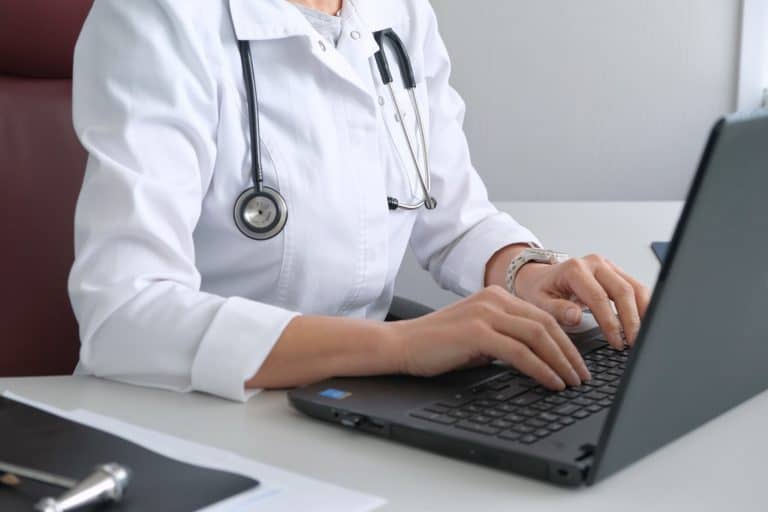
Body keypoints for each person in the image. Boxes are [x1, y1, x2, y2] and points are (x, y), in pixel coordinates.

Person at [69, 0, 650, 402]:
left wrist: (528, 271)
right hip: (192, 407)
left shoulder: (397, 12)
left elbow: (452, 219)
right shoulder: (159, 16)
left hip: (352, 396)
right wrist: (401, 346)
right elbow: (124, 316)